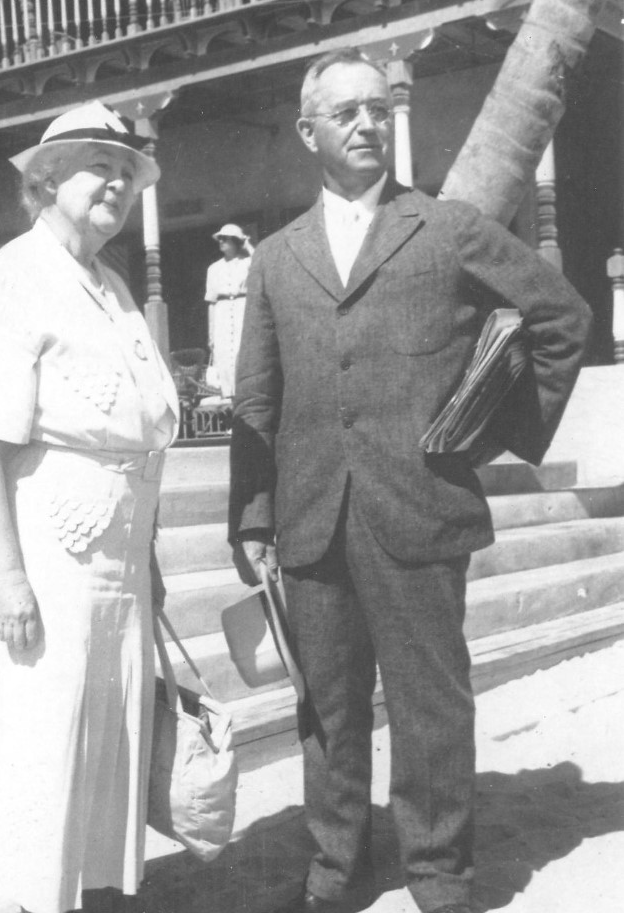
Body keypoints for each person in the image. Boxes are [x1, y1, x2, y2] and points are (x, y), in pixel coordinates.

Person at [229, 48, 591, 913]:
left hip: (421, 508)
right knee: (327, 708)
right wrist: (252, 514)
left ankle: (437, 871)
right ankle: (334, 865)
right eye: (343, 112)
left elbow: (560, 318)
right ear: (306, 131)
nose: (364, 123)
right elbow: (255, 392)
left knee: (431, 704)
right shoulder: (276, 258)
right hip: (311, 515)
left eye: (376, 108)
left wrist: (484, 430)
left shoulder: (445, 228)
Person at [0, 101, 179, 913]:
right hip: (47, 559)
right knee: (41, 742)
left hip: (118, 562)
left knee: (101, 746)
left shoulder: (113, 288)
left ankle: (88, 897)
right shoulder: (12, 276)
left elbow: (140, 434)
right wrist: (6, 578)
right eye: (101, 165)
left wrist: (153, 567)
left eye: (128, 171)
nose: (120, 183)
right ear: (45, 178)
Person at [204, 223, 253, 397]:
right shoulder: (214, 268)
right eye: (220, 238)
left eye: (226, 239)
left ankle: (244, 394)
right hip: (222, 310)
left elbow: (261, 266)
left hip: (241, 306)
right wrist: (211, 333)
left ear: (235, 241)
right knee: (223, 353)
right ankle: (228, 395)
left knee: (242, 350)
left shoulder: (247, 263)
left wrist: (248, 246)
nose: (221, 242)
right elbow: (211, 301)